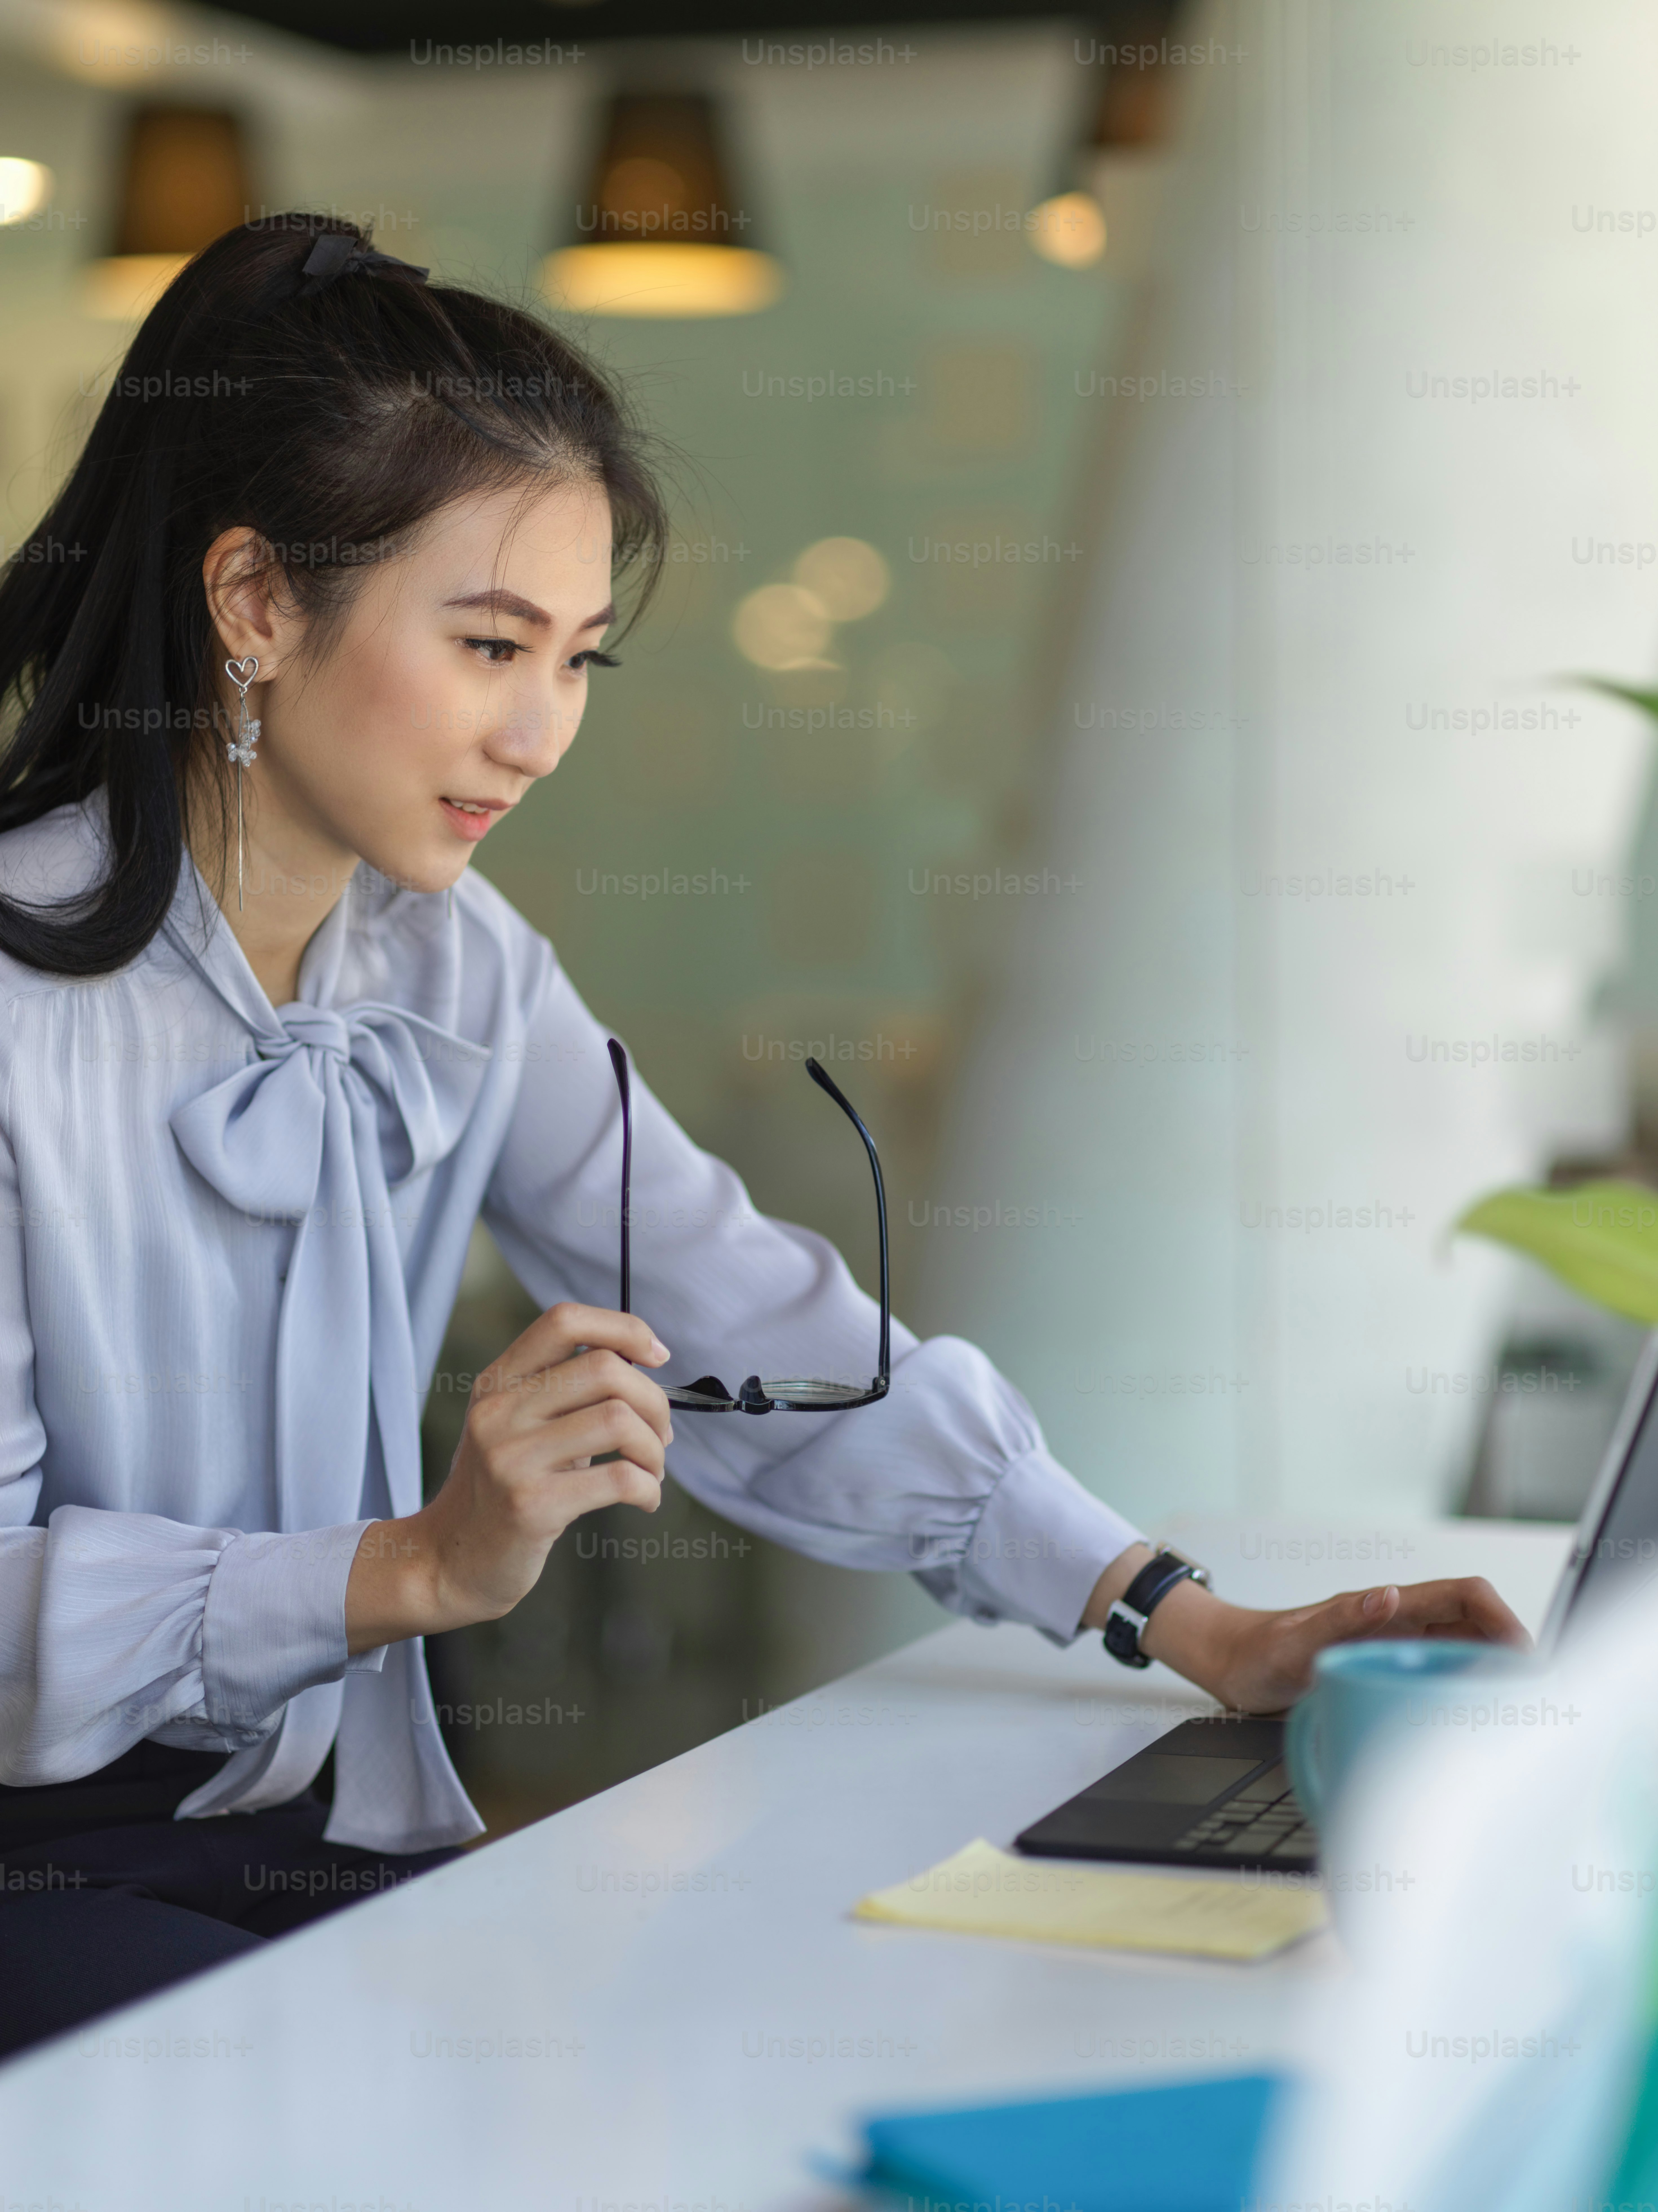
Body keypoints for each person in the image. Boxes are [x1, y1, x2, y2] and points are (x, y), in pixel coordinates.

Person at [0, 216, 1524, 2057]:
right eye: (490, 644)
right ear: (253, 604)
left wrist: (1181, 1617)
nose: (540, 731)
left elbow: (750, 1312)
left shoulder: (455, 966)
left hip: (313, 1823)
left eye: (576, 663)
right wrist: (419, 1566)